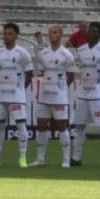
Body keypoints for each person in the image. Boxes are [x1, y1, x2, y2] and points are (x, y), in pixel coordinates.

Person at [70, 22, 100, 167]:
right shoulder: (81, 50)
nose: (92, 33)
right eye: (90, 30)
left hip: (99, 94)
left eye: (96, 31)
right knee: (79, 125)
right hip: (83, 93)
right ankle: (76, 158)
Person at [0, 23, 34, 168]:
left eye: (9, 33)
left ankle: (22, 157)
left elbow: (29, 74)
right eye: (5, 33)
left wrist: (19, 88)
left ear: (16, 36)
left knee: (20, 125)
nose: (6, 36)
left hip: (16, 96)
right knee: (0, 125)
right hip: (1, 96)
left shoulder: (23, 53)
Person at [31, 25, 75, 168]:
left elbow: (71, 76)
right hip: (44, 96)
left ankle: (66, 159)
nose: (51, 35)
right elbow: (42, 73)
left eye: (54, 32)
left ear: (61, 35)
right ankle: (40, 158)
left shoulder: (67, 55)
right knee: (41, 125)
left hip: (59, 97)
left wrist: (60, 89)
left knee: (62, 126)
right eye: (50, 33)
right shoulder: (43, 54)